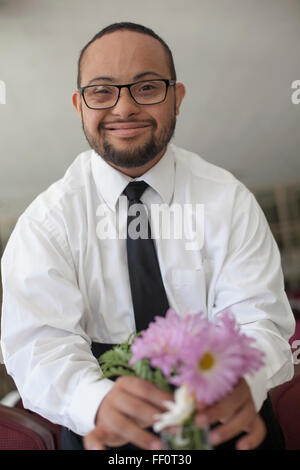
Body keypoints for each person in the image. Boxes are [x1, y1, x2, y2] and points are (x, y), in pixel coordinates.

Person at [0, 22, 295, 451]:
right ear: (78, 105)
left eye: (147, 87)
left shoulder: (229, 199)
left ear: (177, 97)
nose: (123, 108)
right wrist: (94, 401)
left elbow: (260, 320)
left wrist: (243, 384)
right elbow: (38, 346)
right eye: (102, 92)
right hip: (100, 427)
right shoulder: (46, 223)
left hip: (230, 417)